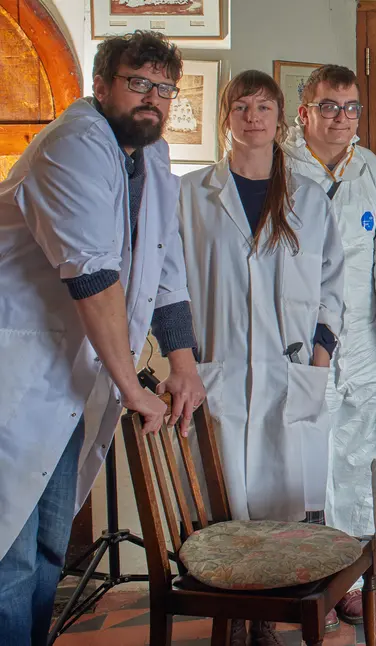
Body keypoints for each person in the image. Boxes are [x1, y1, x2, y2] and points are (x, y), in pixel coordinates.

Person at [0, 31, 205, 645]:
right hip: (15, 373)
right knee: (8, 552)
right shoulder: (75, 144)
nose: (154, 99)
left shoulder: (150, 155)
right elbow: (93, 277)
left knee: (45, 546)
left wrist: (184, 364)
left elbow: (165, 265)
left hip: (65, 378)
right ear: (101, 85)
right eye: (138, 83)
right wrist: (132, 389)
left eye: (164, 88)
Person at [178, 69, 345, 641]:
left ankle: (268, 619)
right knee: (227, 506)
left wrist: (319, 357)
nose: (252, 117)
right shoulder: (193, 194)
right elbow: (169, 281)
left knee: (284, 505)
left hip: (290, 370)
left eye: (263, 107)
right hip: (219, 368)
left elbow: (333, 284)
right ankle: (236, 617)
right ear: (225, 117)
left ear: (280, 120)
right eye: (241, 106)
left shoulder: (308, 194)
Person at [283, 64, 376, 627]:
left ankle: (349, 575)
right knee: (304, 462)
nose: (341, 118)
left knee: (359, 456)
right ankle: (303, 580)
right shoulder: (276, 168)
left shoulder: (371, 169)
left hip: (365, 338)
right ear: (304, 112)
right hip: (299, 342)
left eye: (351, 108)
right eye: (329, 107)